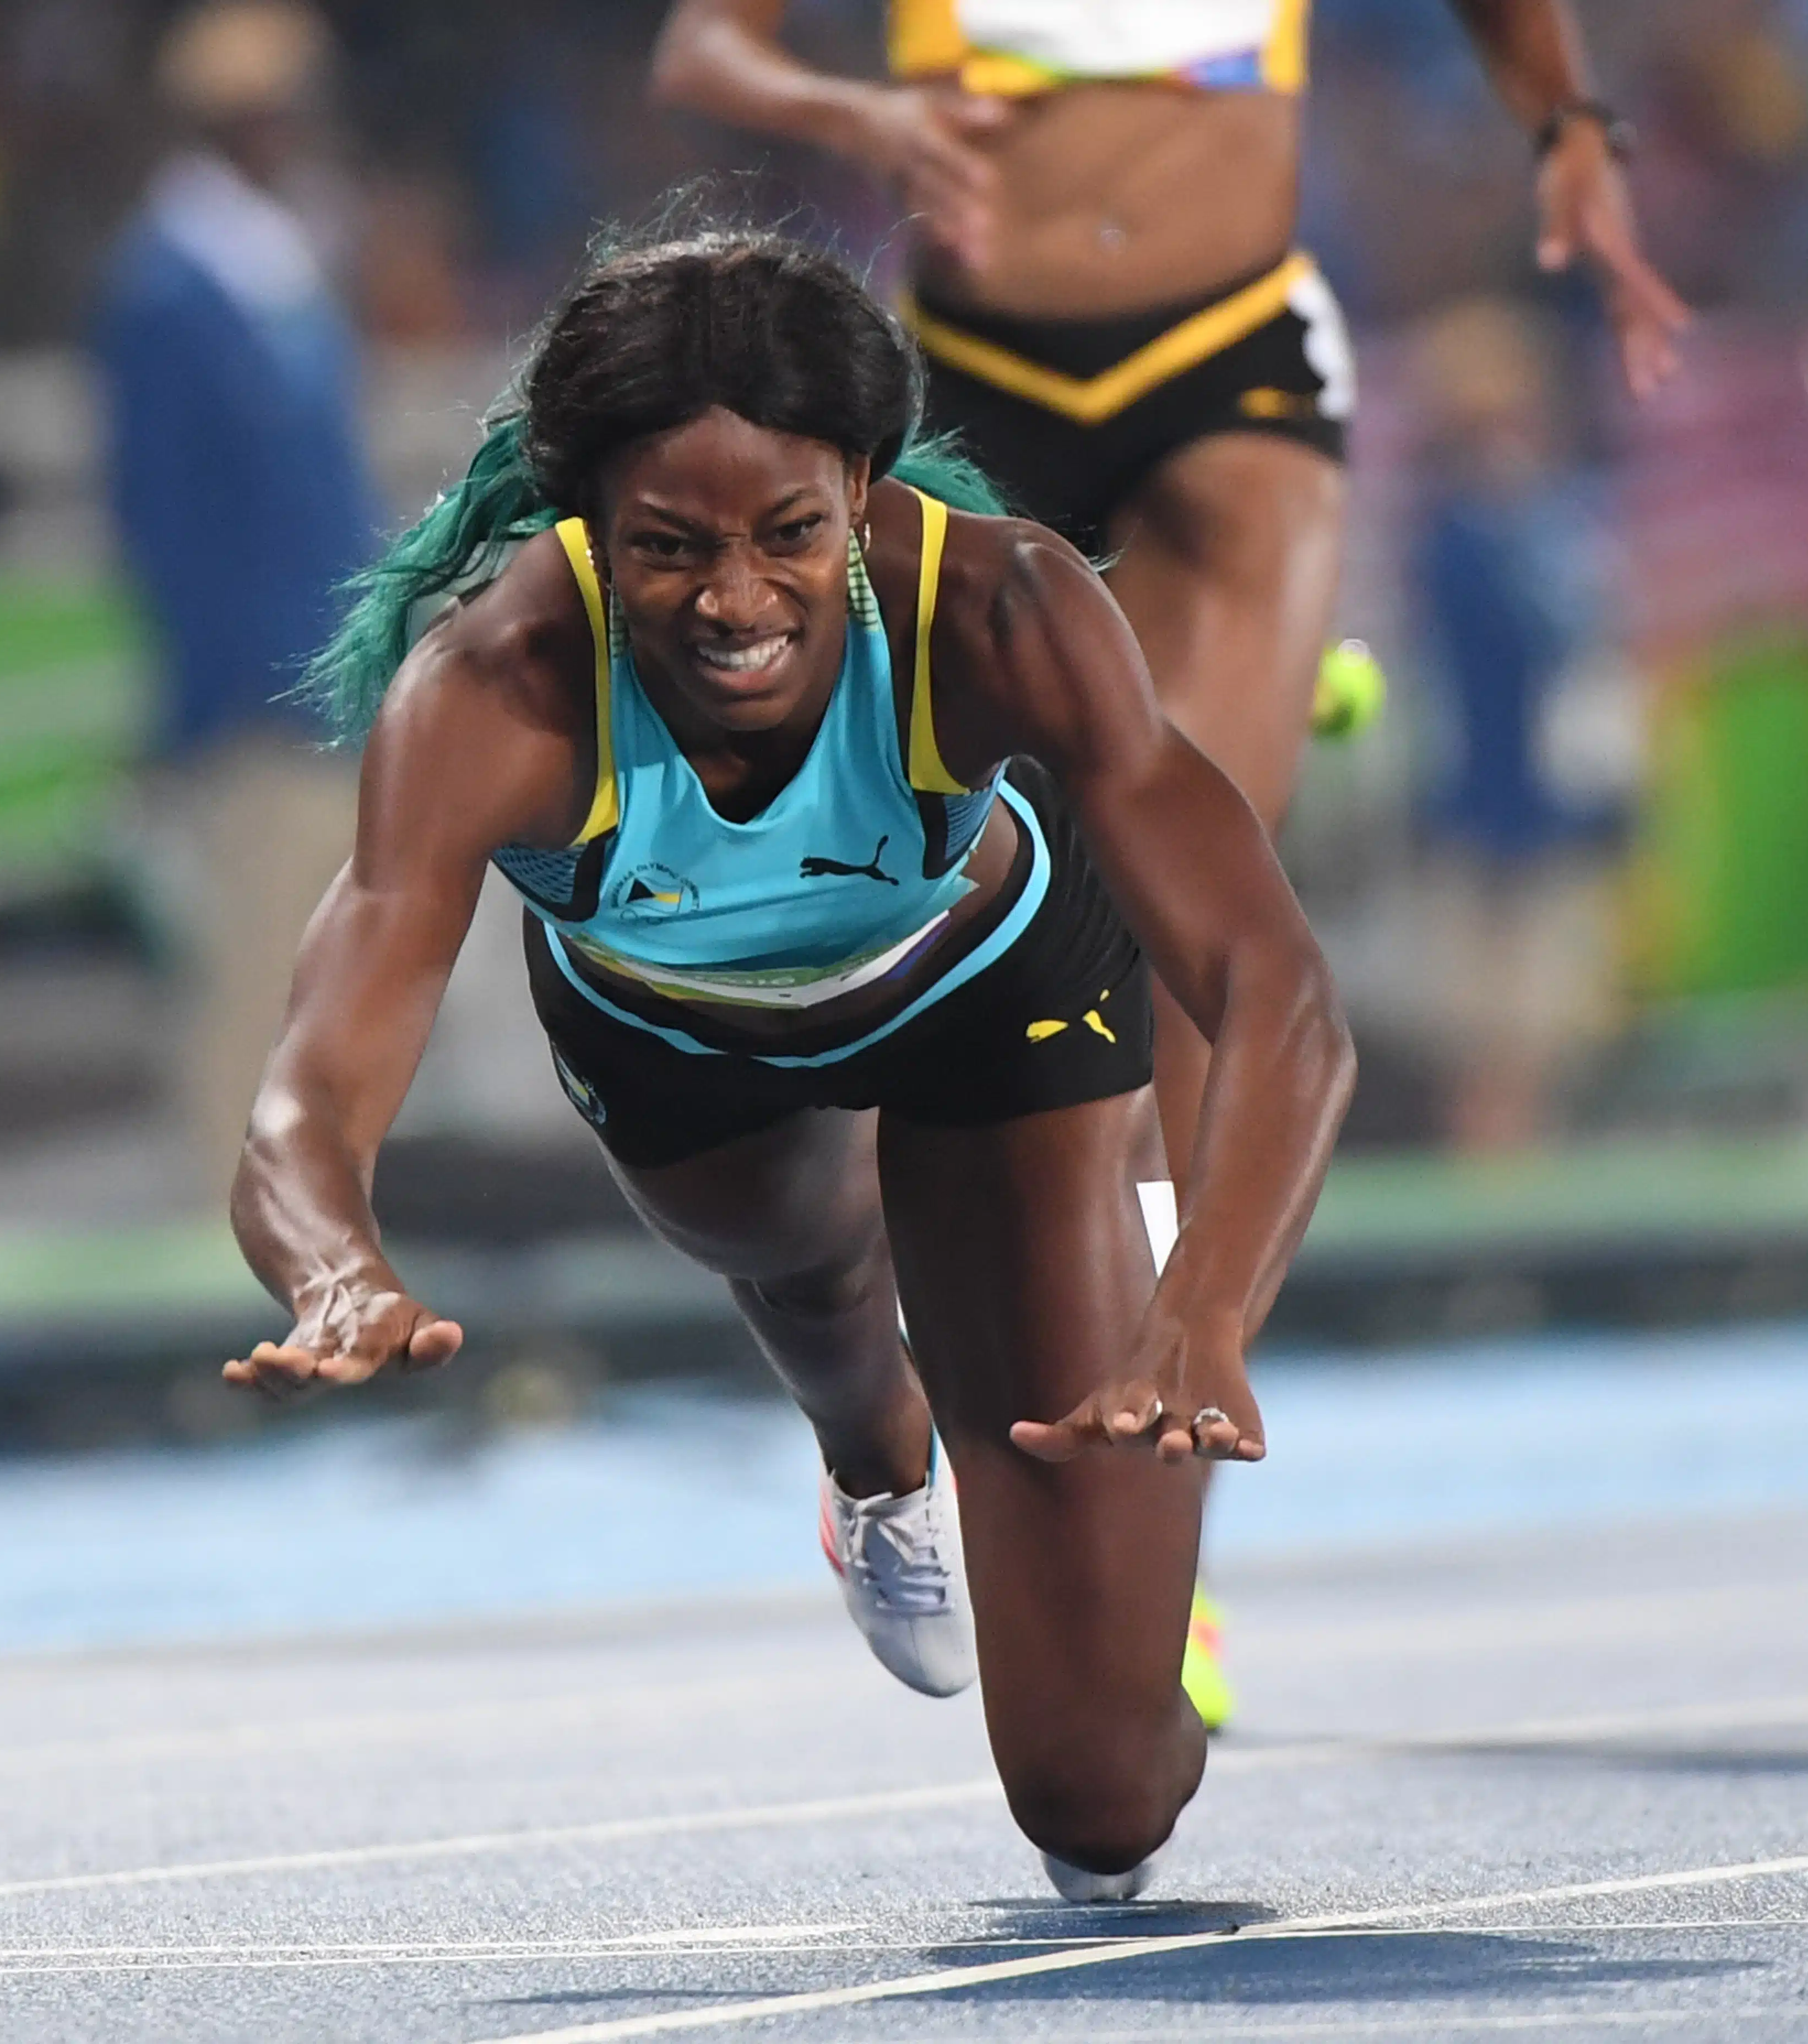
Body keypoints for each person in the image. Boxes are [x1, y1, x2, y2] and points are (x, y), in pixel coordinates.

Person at [221, 230, 1353, 1899]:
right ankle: (874, 1457)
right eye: (669, 550)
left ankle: (1106, 1476)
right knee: (816, 1280)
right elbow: (305, 1099)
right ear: (587, 529)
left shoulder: (1003, 605)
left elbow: (1277, 993)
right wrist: (333, 1271)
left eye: (791, 537)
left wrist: (1210, 1309)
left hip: (990, 991)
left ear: (866, 492)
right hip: (673, 1029)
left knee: (1102, 1803)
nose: (736, 603)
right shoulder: (493, 686)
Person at [649, 0, 1686, 1720]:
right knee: (936, 952)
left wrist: (1572, 120)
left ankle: (1160, 1534)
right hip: (972, 385)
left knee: (1183, 940)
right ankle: (890, 1433)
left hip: (1234, 371)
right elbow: (704, 55)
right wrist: (857, 113)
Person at [92, 0, 382, 1195]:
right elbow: (164, 517)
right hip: (258, 685)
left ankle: (307, 1205)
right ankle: (234, 1219)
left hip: (318, 668)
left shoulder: (272, 266)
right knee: (253, 975)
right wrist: (216, 693)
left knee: (323, 971)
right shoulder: (170, 287)